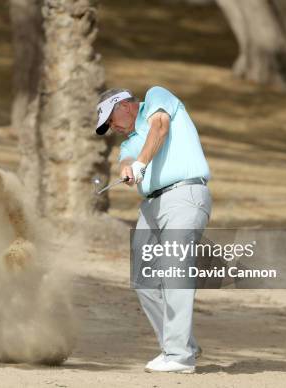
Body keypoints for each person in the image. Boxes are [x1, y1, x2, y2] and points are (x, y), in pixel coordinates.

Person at [95, 86, 212, 373]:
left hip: (184, 196)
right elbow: (126, 157)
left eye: (111, 120)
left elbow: (160, 128)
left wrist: (141, 164)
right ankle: (182, 346)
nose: (113, 128)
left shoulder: (158, 97)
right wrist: (127, 168)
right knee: (145, 279)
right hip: (152, 206)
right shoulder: (131, 139)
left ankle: (179, 356)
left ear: (124, 105)